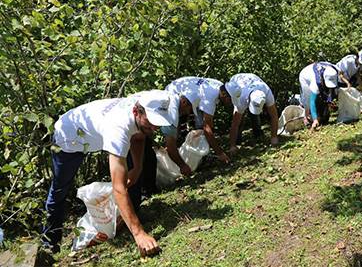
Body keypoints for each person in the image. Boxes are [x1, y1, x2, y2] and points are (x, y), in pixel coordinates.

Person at [42, 90, 176, 257]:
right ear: (136, 111)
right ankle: (50, 243)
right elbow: (118, 188)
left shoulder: (143, 104)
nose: (155, 127)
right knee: (59, 190)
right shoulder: (118, 128)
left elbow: (138, 137)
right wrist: (139, 234)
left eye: (158, 122)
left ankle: (129, 219)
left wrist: (138, 168)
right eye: (151, 122)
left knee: (132, 170)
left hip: (90, 134)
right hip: (68, 139)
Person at [165, 76, 231, 166]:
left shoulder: (220, 87)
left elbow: (206, 125)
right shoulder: (209, 98)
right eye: (230, 100)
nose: (230, 103)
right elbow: (207, 128)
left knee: (199, 127)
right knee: (175, 129)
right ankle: (176, 157)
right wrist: (220, 153)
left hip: (190, 95)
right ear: (223, 94)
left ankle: (200, 154)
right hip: (175, 90)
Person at [224, 73, 279, 154]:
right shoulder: (240, 99)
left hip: (253, 80)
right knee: (239, 119)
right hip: (237, 82)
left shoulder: (266, 92)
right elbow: (235, 124)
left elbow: (274, 116)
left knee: (255, 116)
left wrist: (274, 138)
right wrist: (232, 146)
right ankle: (236, 141)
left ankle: (258, 134)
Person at [298, 61, 340, 130]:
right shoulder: (315, 82)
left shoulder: (334, 71)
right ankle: (307, 117)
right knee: (308, 100)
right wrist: (315, 119)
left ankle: (321, 113)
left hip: (318, 68)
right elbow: (312, 101)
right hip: (305, 76)